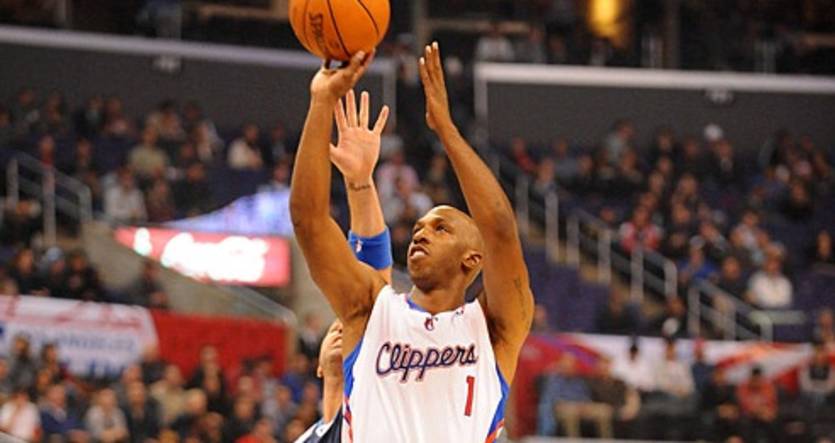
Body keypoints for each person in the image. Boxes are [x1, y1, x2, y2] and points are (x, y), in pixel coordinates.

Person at [289, 44, 533, 441]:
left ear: (472, 259)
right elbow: (309, 220)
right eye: (420, 227)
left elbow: (501, 231)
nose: (421, 232)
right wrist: (321, 101)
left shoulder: (494, 330)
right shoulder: (371, 309)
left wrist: (446, 131)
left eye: (441, 228)